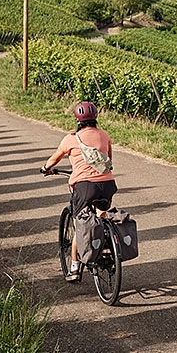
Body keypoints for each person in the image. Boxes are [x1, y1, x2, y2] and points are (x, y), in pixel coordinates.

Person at [42, 100, 117, 282]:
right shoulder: (104, 135)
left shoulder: (71, 139)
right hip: (107, 184)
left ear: (77, 119)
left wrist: (46, 168)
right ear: (96, 117)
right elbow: (109, 161)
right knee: (101, 215)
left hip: (85, 187)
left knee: (80, 224)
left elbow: (54, 159)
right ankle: (109, 247)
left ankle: (75, 268)